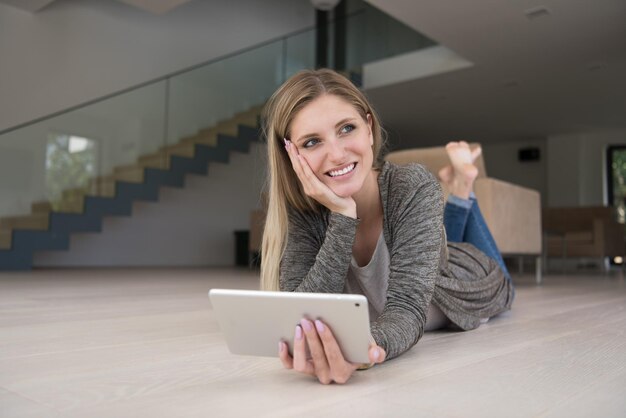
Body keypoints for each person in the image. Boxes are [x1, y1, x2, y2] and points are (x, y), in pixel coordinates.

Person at [260, 68, 514, 385]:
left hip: (473, 279)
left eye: (346, 128)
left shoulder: (410, 185)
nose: (336, 155)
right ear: (291, 156)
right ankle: (459, 186)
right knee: (437, 242)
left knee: (499, 278)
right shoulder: (305, 212)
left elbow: (406, 310)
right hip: (431, 254)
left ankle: (463, 186)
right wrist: (342, 216)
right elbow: (300, 313)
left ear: (368, 128)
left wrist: (361, 351)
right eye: (312, 142)